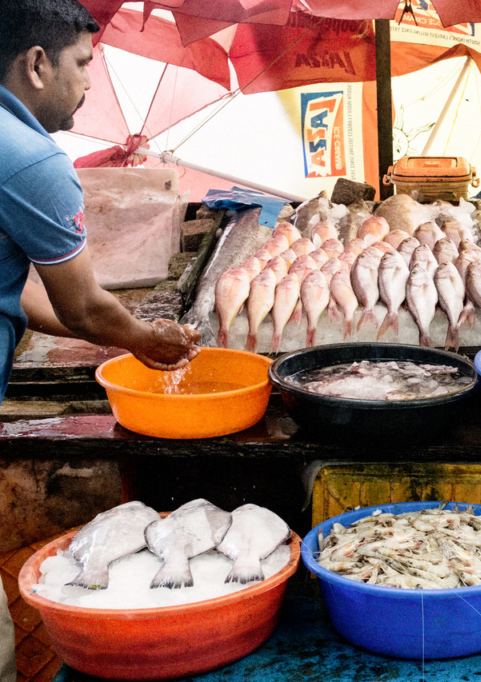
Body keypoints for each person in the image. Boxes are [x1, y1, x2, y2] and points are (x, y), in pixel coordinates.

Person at [0, 2, 201, 674]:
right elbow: (84, 304)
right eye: (83, 64)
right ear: (35, 65)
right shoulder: (30, 157)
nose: (88, 82)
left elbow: (25, 292)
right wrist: (144, 338)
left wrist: (126, 339)